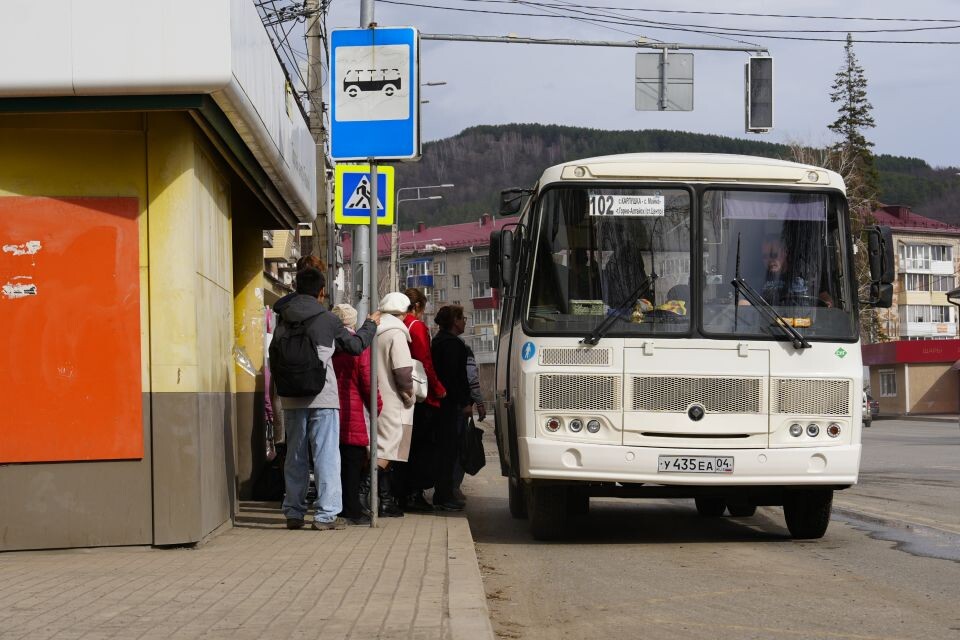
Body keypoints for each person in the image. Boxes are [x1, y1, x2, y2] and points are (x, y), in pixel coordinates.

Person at [273, 267, 380, 531]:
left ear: (297, 287)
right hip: (323, 396)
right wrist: (370, 326)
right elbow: (355, 347)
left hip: (291, 396)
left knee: (295, 455)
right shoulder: (328, 319)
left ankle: (294, 512)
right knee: (326, 455)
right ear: (322, 292)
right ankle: (325, 515)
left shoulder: (283, 316)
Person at [331, 303, 382, 526]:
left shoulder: (327, 343)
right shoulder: (359, 347)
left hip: (330, 411)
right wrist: (377, 406)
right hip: (354, 412)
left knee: (334, 462)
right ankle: (351, 509)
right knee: (353, 463)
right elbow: (367, 380)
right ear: (352, 323)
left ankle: (336, 506)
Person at [401, 288, 447, 512]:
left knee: (406, 446)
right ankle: (414, 492)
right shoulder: (415, 326)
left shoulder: (396, 323)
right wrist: (438, 388)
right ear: (417, 306)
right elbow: (424, 360)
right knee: (421, 447)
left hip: (399, 392)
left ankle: (403, 491)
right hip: (420, 396)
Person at [373, 291, 418, 517]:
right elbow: (402, 371)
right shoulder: (396, 333)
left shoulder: (374, 329)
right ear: (403, 312)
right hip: (393, 399)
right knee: (388, 450)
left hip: (373, 398)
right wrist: (409, 394)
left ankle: (381, 499)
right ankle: (378, 499)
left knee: (378, 447)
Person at [431, 305, 474, 511]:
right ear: (454, 321)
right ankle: (444, 494)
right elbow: (456, 378)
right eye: (462, 318)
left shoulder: (438, 341)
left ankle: (443, 493)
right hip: (451, 405)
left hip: (440, 403)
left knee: (443, 450)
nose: (464, 321)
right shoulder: (453, 345)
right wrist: (465, 402)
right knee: (450, 450)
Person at [745, 235, 833, 307]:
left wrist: (827, 305)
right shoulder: (758, 280)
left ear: (785, 252)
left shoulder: (806, 274)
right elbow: (744, 303)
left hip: (804, 324)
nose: (770, 260)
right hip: (769, 326)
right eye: (765, 257)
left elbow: (825, 298)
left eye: (774, 255)